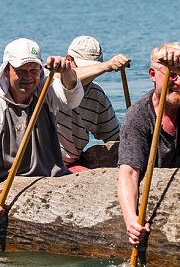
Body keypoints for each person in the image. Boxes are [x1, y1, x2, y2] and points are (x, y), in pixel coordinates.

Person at [0, 38, 84, 223]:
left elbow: (72, 100)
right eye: (20, 71)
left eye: (33, 70)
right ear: (6, 70)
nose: (28, 77)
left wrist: (67, 72)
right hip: (12, 187)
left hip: (55, 181)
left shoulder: (45, 89)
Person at [117, 43, 180, 246]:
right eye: (171, 74)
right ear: (153, 74)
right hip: (158, 198)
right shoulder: (139, 115)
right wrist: (131, 220)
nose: (178, 82)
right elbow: (128, 172)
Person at [55, 35, 130, 172]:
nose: (91, 74)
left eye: (93, 68)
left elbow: (115, 137)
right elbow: (66, 77)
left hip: (72, 164)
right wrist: (106, 66)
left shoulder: (97, 95)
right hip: (43, 161)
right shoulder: (50, 81)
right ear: (68, 59)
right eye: (85, 67)